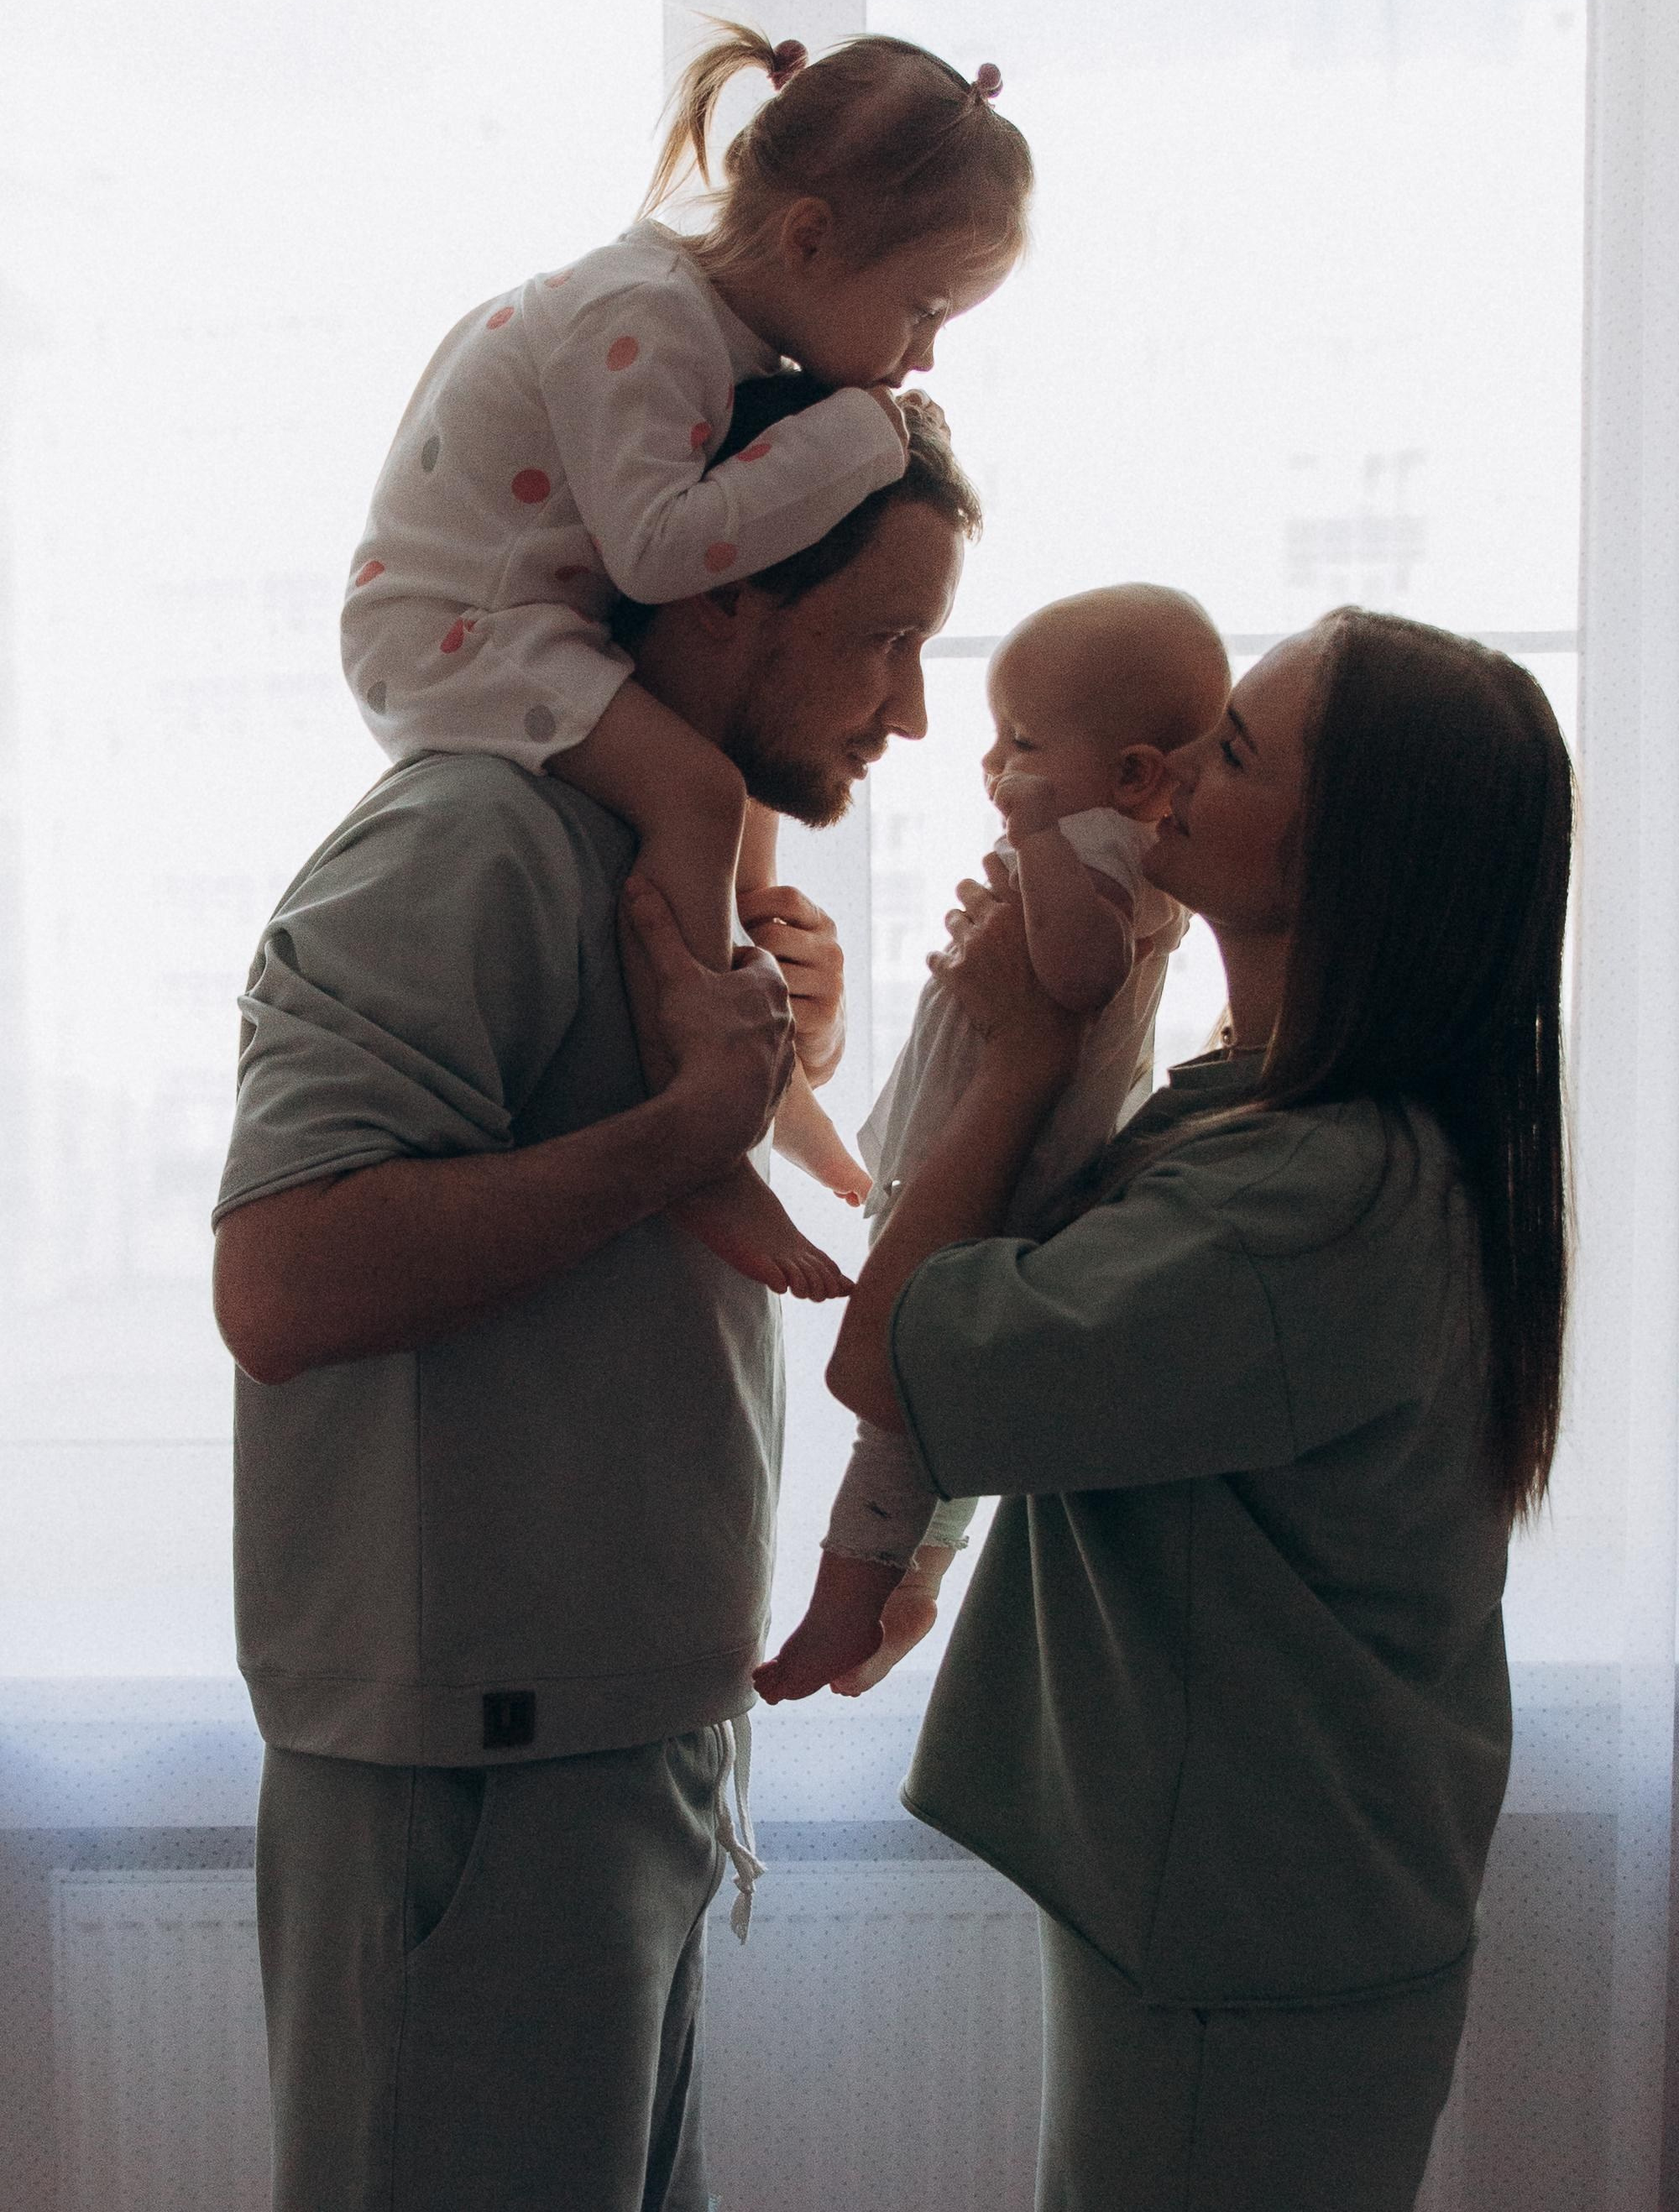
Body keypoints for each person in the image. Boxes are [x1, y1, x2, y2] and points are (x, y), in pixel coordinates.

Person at [211, 397, 980, 2212]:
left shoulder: (657, 876)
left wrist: (767, 1081)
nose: (911, 710)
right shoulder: (467, 839)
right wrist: (677, 1139)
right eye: (883, 640)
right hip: (474, 1781)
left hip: (604, 1749)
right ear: (716, 597)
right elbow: (282, 1278)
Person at [800, 608, 1571, 2212]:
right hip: (1254, 1913)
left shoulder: (1315, 1200)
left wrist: (1021, 1053)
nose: (1168, 777)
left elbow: (899, 1355)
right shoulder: (1274, 1122)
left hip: (1253, 1940)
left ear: (1343, 854)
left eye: (1231, 749)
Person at [341, 18, 1031, 1294]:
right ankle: (715, 1136)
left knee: (720, 782)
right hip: (461, 629)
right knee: (702, 790)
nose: (924, 357)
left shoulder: (717, 335)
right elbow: (665, 555)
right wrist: (868, 436)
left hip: (524, 617)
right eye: (924, 309)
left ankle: (772, 1077)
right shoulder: (645, 314)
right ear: (812, 237)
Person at [756, 583, 1230, 1702]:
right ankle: (913, 1578)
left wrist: (1036, 846)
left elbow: (1077, 974)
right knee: (944, 1408)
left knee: (906, 1398)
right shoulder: (1097, 841)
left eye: (1021, 740)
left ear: (1131, 774)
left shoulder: (1109, 852)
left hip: (1011, 1162)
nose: (994, 764)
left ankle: (842, 1607)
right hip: (985, 1138)